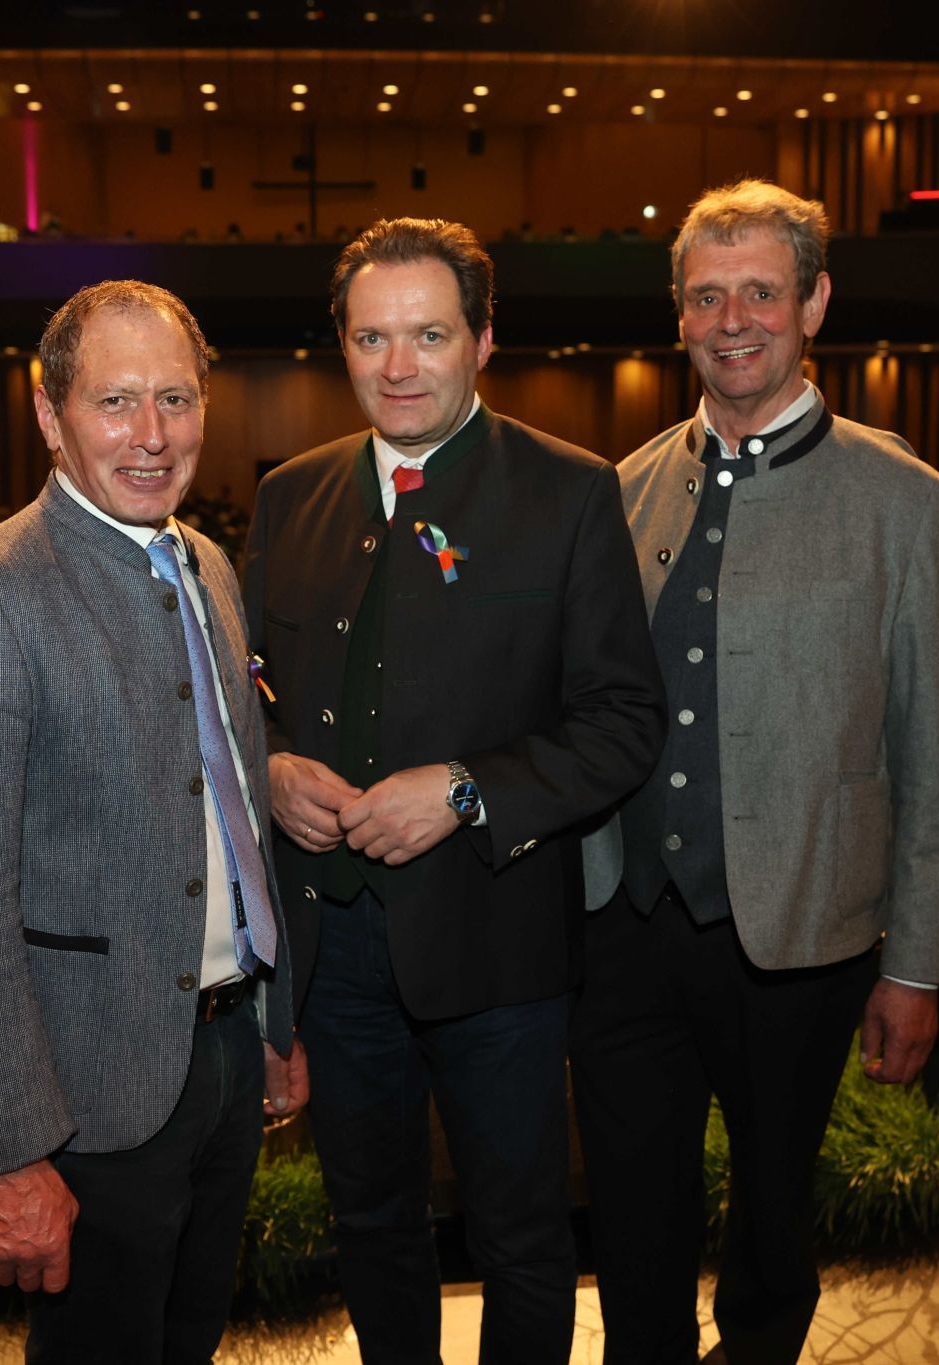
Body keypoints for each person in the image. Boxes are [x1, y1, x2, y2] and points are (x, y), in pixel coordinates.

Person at [243, 217, 665, 1362]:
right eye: (371, 338)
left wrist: (469, 791)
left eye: (427, 335)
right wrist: (271, 761)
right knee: (370, 1225)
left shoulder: (569, 494)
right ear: (339, 343)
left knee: (520, 1235)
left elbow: (624, 724)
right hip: (334, 954)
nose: (397, 366)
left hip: (498, 950)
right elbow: (247, 697)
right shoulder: (289, 497)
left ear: (482, 339)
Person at [576, 179, 939, 1364]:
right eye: (706, 295)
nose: (732, 317)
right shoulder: (623, 487)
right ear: (678, 317)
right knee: (631, 1218)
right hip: (624, 930)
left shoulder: (898, 498)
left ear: (813, 304)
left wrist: (916, 966)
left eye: (759, 291)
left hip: (801, 934)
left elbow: (923, 749)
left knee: (770, 1227)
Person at [0, 279, 302, 1364]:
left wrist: (273, 1022)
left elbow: (235, 815)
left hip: (219, 1062)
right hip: (85, 1097)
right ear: (47, 415)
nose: (152, 437)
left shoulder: (205, 561)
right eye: (115, 403)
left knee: (190, 1342)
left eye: (176, 399)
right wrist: (10, 1155)